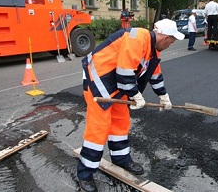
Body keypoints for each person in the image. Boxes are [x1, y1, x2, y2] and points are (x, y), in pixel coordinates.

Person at [77, 18, 185, 192]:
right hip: (98, 82)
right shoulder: (138, 37)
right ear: (165, 36)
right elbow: (125, 70)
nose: (171, 44)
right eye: (172, 40)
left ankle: (121, 159)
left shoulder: (153, 50)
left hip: (117, 84)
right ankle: (85, 174)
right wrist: (135, 94)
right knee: (99, 128)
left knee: (121, 123)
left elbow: (154, 75)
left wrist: (163, 95)